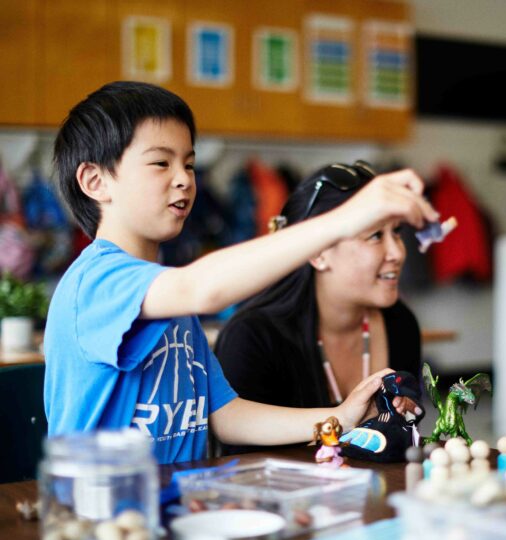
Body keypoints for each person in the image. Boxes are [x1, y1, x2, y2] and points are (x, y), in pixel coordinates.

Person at [44, 81, 438, 464]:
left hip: (172, 511)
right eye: (161, 163)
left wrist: (338, 416)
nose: (184, 179)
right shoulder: (95, 283)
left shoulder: (170, 299)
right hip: (103, 516)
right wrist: (347, 219)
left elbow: (225, 415)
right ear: (95, 181)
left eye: (190, 164)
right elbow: (203, 288)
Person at [214, 161, 422, 453]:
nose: (397, 252)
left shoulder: (400, 324)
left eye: (397, 232)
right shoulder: (252, 338)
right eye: (375, 235)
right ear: (319, 252)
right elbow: (240, 464)